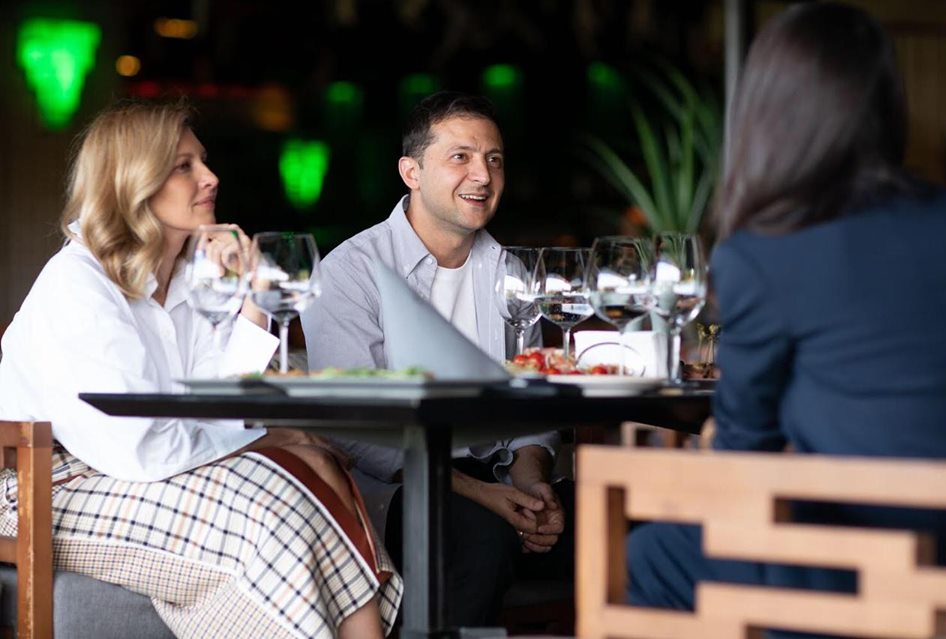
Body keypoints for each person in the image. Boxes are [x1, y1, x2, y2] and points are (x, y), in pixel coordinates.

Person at [0, 101, 401, 639]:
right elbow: (140, 449)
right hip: (44, 485)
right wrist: (268, 438)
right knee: (279, 505)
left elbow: (217, 402)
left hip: (135, 465)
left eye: (203, 161)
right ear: (133, 181)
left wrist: (254, 297)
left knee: (313, 477)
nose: (210, 177)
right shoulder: (79, 283)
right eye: (183, 166)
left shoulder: (189, 277)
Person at [626, 2, 946, 632]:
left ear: (767, 114)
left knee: (647, 554)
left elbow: (743, 454)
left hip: (846, 560)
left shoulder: (765, 253)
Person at [301, 91, 573, 626]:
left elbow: (531, 404)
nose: (483, 175)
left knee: (620, 524)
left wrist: (532, 483)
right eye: (460, 157)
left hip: (500, 478)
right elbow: (358, 429)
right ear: (412, 172)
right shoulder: (351, 272)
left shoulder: (511, 273)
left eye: (494, 159)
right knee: (482, 538)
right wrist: (483, 495)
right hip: (399, 489)